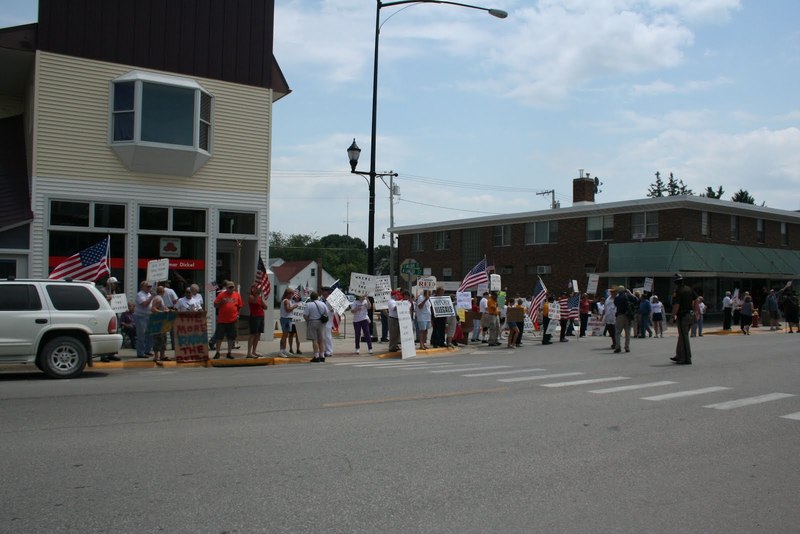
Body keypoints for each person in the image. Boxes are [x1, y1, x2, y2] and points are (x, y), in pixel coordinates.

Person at [671, 274, 697, 365]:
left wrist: (672, 316)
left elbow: (676, 305)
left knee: (684, 337)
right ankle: (679, 355)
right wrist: (695, 312)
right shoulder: (689, 289)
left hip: (683, 316)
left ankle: (686, 358)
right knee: (682, 336)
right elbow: (696, 300)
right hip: (690, 314)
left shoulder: (678, 291)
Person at [213, 281, 243, 359]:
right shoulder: (221, 295)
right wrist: (221, 302)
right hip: (222, 320)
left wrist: (238, 314)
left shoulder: (237, 295)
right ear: (226, 288)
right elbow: (215, 305)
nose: (231, 289)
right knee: (219, 337)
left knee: (231, 337)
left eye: (232, 287)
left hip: (232, 320)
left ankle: (229, 352)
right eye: (229, 287)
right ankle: (217, 352)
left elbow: (240, 306)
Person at [304, 292, 328, 362]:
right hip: (321, 322)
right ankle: (322, 356)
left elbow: (305, 315)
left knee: (314, 340)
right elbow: (326, 313)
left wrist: (307, 321)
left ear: (310, 297)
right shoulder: (322, 304)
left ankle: (316, 356)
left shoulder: (308, 305)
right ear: (317, 297)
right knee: (321, 340)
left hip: (312, 321)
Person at [134, 281, 155, 358]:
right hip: (140, 317)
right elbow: (144, 305)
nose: (149, 288)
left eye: (150, 287)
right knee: (141, 335)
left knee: (150, 335)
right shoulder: (140, 294)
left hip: (149, 316)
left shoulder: (149, 294)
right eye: (147, 286)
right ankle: (140, 353)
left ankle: (147, 350)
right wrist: (151, 297)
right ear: (142, 287)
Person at [613, 285, 636, 353]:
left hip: (620, 316)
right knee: (627, 333)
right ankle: (627, 347)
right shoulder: (628, 296)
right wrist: (630, 293)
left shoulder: (617, 298)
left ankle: (618, 347)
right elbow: (636, 300)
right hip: (628, 316)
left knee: (617, 332)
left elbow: (615, 304)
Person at [247, 283, 267, 358]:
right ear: (252, 290)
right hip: (254, 317)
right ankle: (249, 352)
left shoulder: (259, 297)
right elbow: (254, 301)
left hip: (261, 316)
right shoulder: (251, 297)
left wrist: (262, 301)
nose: (257, 289)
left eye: (257, 288)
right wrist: (258, 293)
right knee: (252, 334)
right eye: (255, 288)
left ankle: (254, 351)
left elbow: (265, 307)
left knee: (258, 335)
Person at [150, 285, 169, 363]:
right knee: (159, 339)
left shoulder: (158, 298)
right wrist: (162, 312)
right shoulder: (158, 299)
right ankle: (157, 356)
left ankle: (162, 356)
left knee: (163, 339)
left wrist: (166, 309)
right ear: (163, 292)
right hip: (158, 322)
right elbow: (153, 309)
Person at [279, 288, 298, 356]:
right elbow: (288, 310)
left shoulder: (287, 300)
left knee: (286, 335)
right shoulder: (286, 301)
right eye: (290, 294)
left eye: (292, 294)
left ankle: (283, 350)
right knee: (284, 335)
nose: (292, 295)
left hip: (287, 319)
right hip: (286, 319)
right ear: (287, 294)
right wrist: (294, 307)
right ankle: (281, 351)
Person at [320, 287, 336, 359]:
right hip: (322, 320)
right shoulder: (322, 299)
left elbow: (334, 310)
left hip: (328, 320)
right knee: (324, 336)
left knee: (327, 336)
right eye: (322, 291)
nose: (322, 293)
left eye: (323, 291)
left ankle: (329, 351)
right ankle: (326, 350)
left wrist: (332, 309)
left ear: (327, 292)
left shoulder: (331, 300)